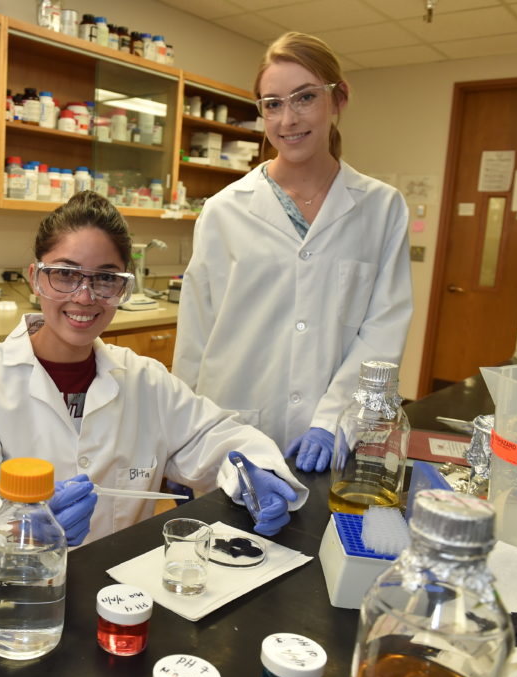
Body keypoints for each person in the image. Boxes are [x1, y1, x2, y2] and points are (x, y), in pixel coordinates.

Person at [0, 191, 308, 608]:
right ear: (35, 277)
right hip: (1, 604)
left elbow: (216, 437)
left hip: (115, 599)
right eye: (65, 274)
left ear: (123, 286)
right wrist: (26, 530)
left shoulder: (144, 380)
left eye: (105, 278)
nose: (85, 297)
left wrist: (256, 474)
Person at [173, 32, 413, 474]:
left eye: (304, 98)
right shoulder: (225, 210)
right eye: (273, 104)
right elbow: (195, 338)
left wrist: (334, 421)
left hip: (333, 438)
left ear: (338, 100)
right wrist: (184, 441)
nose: (288, 119)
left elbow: (384, 330)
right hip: (230, 430)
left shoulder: (381, 208)